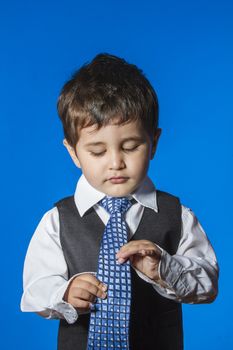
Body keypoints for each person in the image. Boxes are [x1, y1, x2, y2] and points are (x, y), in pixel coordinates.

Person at [21, 53, 219, 350]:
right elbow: (34, 291)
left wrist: (165, 268)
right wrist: (65, 292)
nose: (116, 163)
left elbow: (207, 285)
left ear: (154, 142)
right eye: (97, 152)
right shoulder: (57, 220)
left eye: (130, 146)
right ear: (73, 152)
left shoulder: (176, 215)